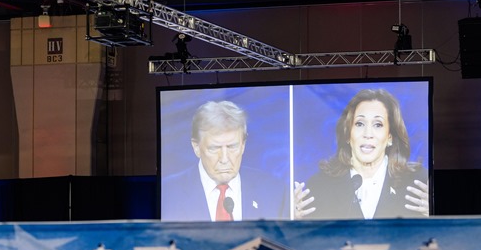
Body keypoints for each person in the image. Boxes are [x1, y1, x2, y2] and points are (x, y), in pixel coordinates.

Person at [294, 88, 429, 219]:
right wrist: (294, 223)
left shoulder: (418, 184)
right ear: (348, 134)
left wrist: (433, 215)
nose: (368, 134)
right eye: (359, 124)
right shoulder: (320, 186)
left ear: (390, 137)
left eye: (377, 124)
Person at [162, 100, 287, 221]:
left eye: (232, 147)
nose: (224, 159)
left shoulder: (273, 190)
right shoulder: (170, 192)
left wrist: (295, 223)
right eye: (214, 148)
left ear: (243, 145)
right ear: (196, 147)